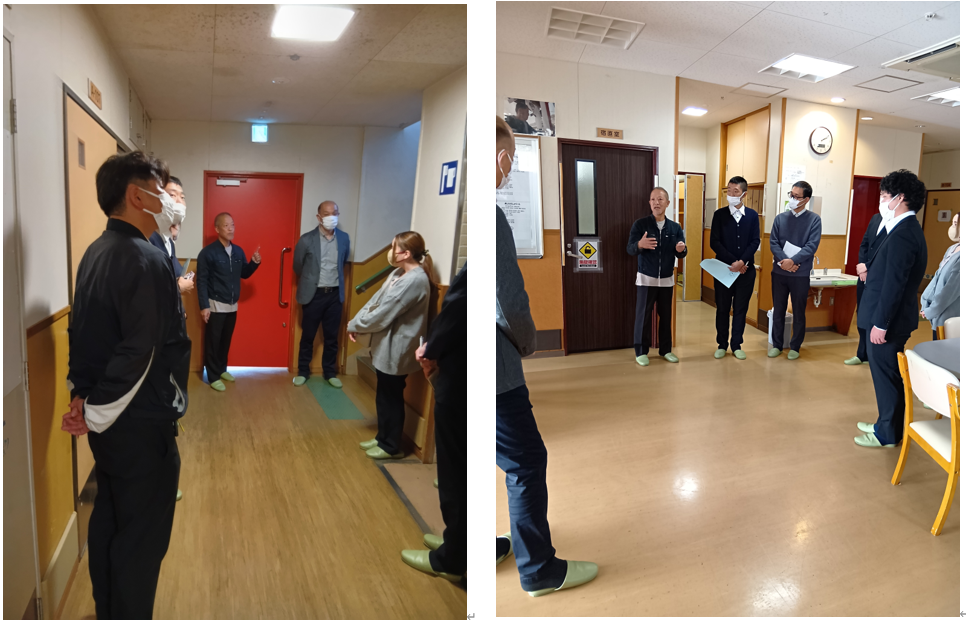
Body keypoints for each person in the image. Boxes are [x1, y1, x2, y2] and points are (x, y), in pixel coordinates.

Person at [61, 151, 190, 619]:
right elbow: (141, 352)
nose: (170, 201)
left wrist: (81, 396)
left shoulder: (96, 252)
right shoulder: (147, 259)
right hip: (138, 423)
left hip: (109, 423)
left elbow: (82, 333)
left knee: (111, 522)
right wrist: (92, 411)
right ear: (137, 196)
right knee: (141, 541)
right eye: (161, 191)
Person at [496, 115, 598, 597]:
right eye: (512, 160)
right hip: (493, 368)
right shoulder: (491, 215)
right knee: (525, 460)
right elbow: (509, 299)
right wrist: (528, 343)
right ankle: (538, 571)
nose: (509, 168)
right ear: (503, 158)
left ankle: (473, 545)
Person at [402, 263, 467, 582]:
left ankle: (453, 557)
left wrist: (430, 348)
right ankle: (462, 543)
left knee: (456, 471)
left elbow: (457, 310)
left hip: (459, 381)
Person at [855, 169, 928, 449]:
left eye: (885, 196)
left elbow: (894, 284)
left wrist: (881, 324)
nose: (882, 201)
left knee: (887, 378)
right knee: (885, 375)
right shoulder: (898, 228)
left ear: (900, 198)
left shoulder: (904, 233)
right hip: (883, 316)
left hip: (889, 321)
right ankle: (884, 424)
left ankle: (887, 435)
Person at [348, 232, 432, 460]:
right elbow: (376, 301)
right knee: (384, 395)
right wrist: (357, 321)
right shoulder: (397, 273)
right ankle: (382, 437)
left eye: (394, 247)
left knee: (391, 396)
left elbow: (383, 314)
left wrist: (355, 325)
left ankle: (391, 446)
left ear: (406, 253)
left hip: (398, 348)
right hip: (386, 344)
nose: (390, 251)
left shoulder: (415, 280)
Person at [196, 213, 261, 391]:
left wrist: (254, 263)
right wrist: (204, 306)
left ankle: (221, 370)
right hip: (215, 304)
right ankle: (212, 376)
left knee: (225, 341)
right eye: (226, 225)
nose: (231, 228)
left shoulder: (238, 251)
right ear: (217, 229)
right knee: (213, 342)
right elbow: (201, 281)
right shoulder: (207, 253)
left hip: (232, 305)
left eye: (232, 225)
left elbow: (244, 273)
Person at [292, 201, 351, 388]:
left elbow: (343, 261)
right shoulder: (306, 239)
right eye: (326, 214)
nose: (331, 217)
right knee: (308, 336)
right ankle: (303, 371)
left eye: (335, 213)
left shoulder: (344, 238)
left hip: (335, 295)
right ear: (319, 217)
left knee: (332, 337)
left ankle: (329, 373)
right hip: (313, 295)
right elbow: (298, 266)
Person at [626, 187, 687, 365]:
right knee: (643, 317)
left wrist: (681, 250)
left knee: (666, 317)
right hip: (646, 279)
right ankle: (641, 352)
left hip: (667, 280)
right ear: (649, 203)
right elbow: (630, 249)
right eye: (653, 199)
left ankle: (666, 350)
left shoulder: (675, 227)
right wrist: (640, 244)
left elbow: (682, 251)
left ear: (667, 203)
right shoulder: (640, 225)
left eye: (660, 199)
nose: (656, 203)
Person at [768, 181, 822, 360]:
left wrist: (793, 261)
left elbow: (811, 246)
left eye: (797, 196)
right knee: (778, 310)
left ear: (806, 199)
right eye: (791, 195)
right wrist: (785, 261)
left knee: (799, 311)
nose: (792, 198)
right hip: (779, 272)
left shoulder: (814, 220)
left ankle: (795, 347)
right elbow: (773, 243)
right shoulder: (780, 218)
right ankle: (777, 345)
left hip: (800, 274)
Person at [709, 176, 760, 360]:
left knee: (740, 309)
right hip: (724, 270)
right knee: (722, 308)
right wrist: (734, 263)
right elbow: (714, 242)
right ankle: (722, 344)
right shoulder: (719, 215)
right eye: (728, 191)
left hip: (746, 272)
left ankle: (736, 345)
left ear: (744, 194)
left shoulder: (752, 216)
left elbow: (755, 241)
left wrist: (743, 262)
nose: (731, 194)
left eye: (735, 191)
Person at [844, 210, 884, 365]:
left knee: (876, 318)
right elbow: (865, 244)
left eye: (885, 198)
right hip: (864, 276)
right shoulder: (876, 218)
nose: (882, 201)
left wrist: (869, 267)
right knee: (862, 315)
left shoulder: (898, 223)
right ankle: (862, 354)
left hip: (879, 277)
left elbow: (886, 254)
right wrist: (862, 268)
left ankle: (874, 356)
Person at [148, 176, 194, 294]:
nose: (180, 202)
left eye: (182, 197)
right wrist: (178, 287)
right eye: (172, 195)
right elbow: (147, 287)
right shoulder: (148, 239)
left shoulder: (169, 242)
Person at [920, 212, 960, 339]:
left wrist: (931, 310)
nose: (952, 227)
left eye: (955, 224)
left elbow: (949, 292)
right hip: (937, 316)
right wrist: (925, 302)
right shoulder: (953, 248)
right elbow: (937, 277)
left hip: (949, 319)